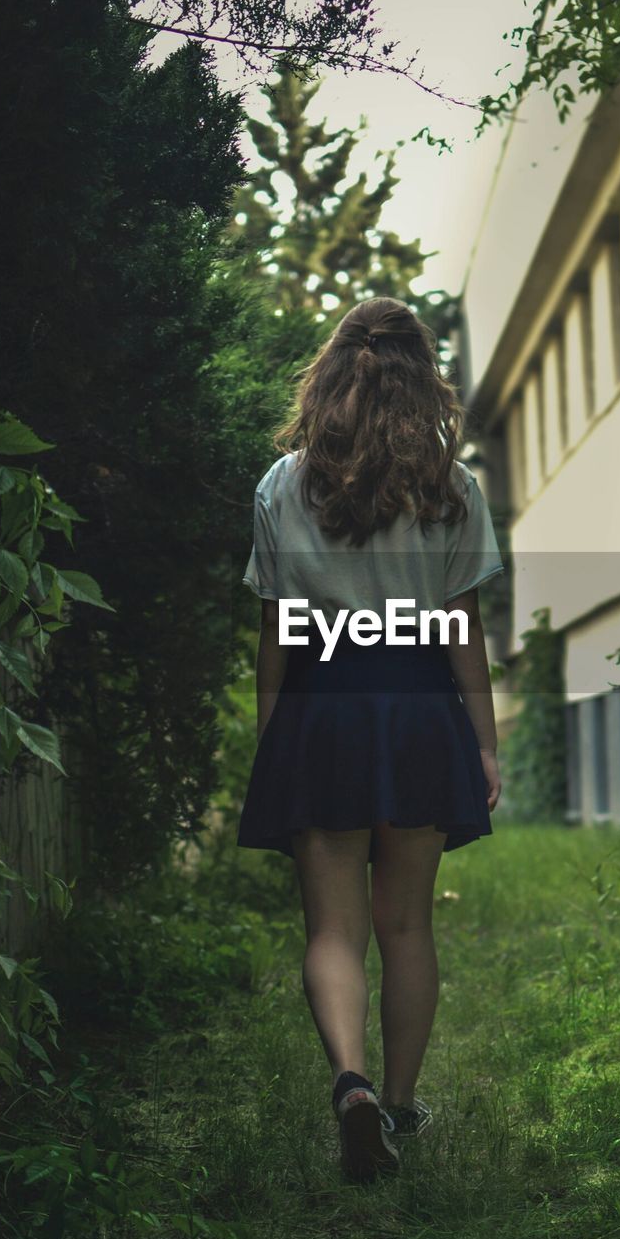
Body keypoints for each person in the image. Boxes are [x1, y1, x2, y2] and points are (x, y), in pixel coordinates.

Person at [237, 296, 504, 1184]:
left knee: (333, 929)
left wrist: (275, 734)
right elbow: (462, 627)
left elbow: (276, 633)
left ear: (332, 374)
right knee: (406, 927)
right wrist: (484, 741)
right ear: (420, 377)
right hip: (420, 703)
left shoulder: (285, 484)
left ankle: (348, 1087)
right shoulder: (450, 486)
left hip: (323, 702)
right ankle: (396, 1103)